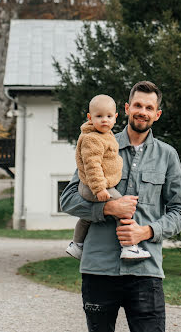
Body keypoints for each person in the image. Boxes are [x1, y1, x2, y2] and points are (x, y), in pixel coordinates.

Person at [60, 81, 181, 332]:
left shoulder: (167, 156)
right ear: (127, 108)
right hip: (99, 269)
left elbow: (180, 211)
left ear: (157, 114)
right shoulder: (96, 143)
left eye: (149, 107)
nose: (143, 111)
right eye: (138, 105)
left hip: (146, 270)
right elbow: (68, 199)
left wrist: (147, 232)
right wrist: (107, 209)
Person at [66, 94, 150, 261]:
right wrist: (100, 189)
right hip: (95, 187)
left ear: (116, 117)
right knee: (124, 210)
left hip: (96, 186)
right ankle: (128, 247)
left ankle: (76, 245)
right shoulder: (92, 139)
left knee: (86, 218)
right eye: (99, 116)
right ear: (90, 117)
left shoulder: (106, 135)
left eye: (109, 116)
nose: (104, 120)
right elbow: (92, 166)